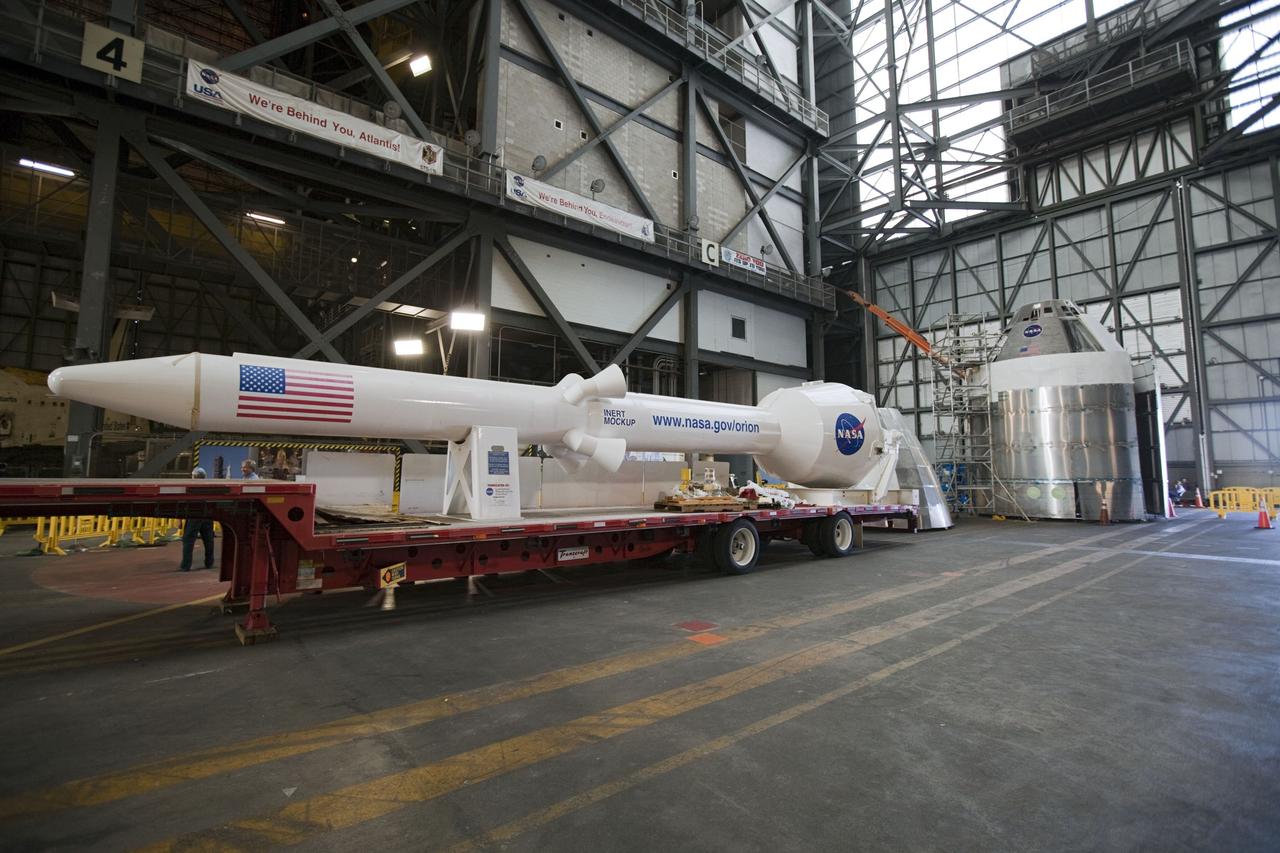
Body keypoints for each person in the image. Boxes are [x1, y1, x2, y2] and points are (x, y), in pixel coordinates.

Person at [178, 467, 215, 572]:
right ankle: (209, 562)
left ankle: (186, 565)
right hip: (207, 516)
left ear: (194, 476)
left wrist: (180, 520)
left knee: (188, 540)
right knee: (208, 540)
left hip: (194, 516)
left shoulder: (191, 487)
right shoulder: (210, 488)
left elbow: (184, 503)